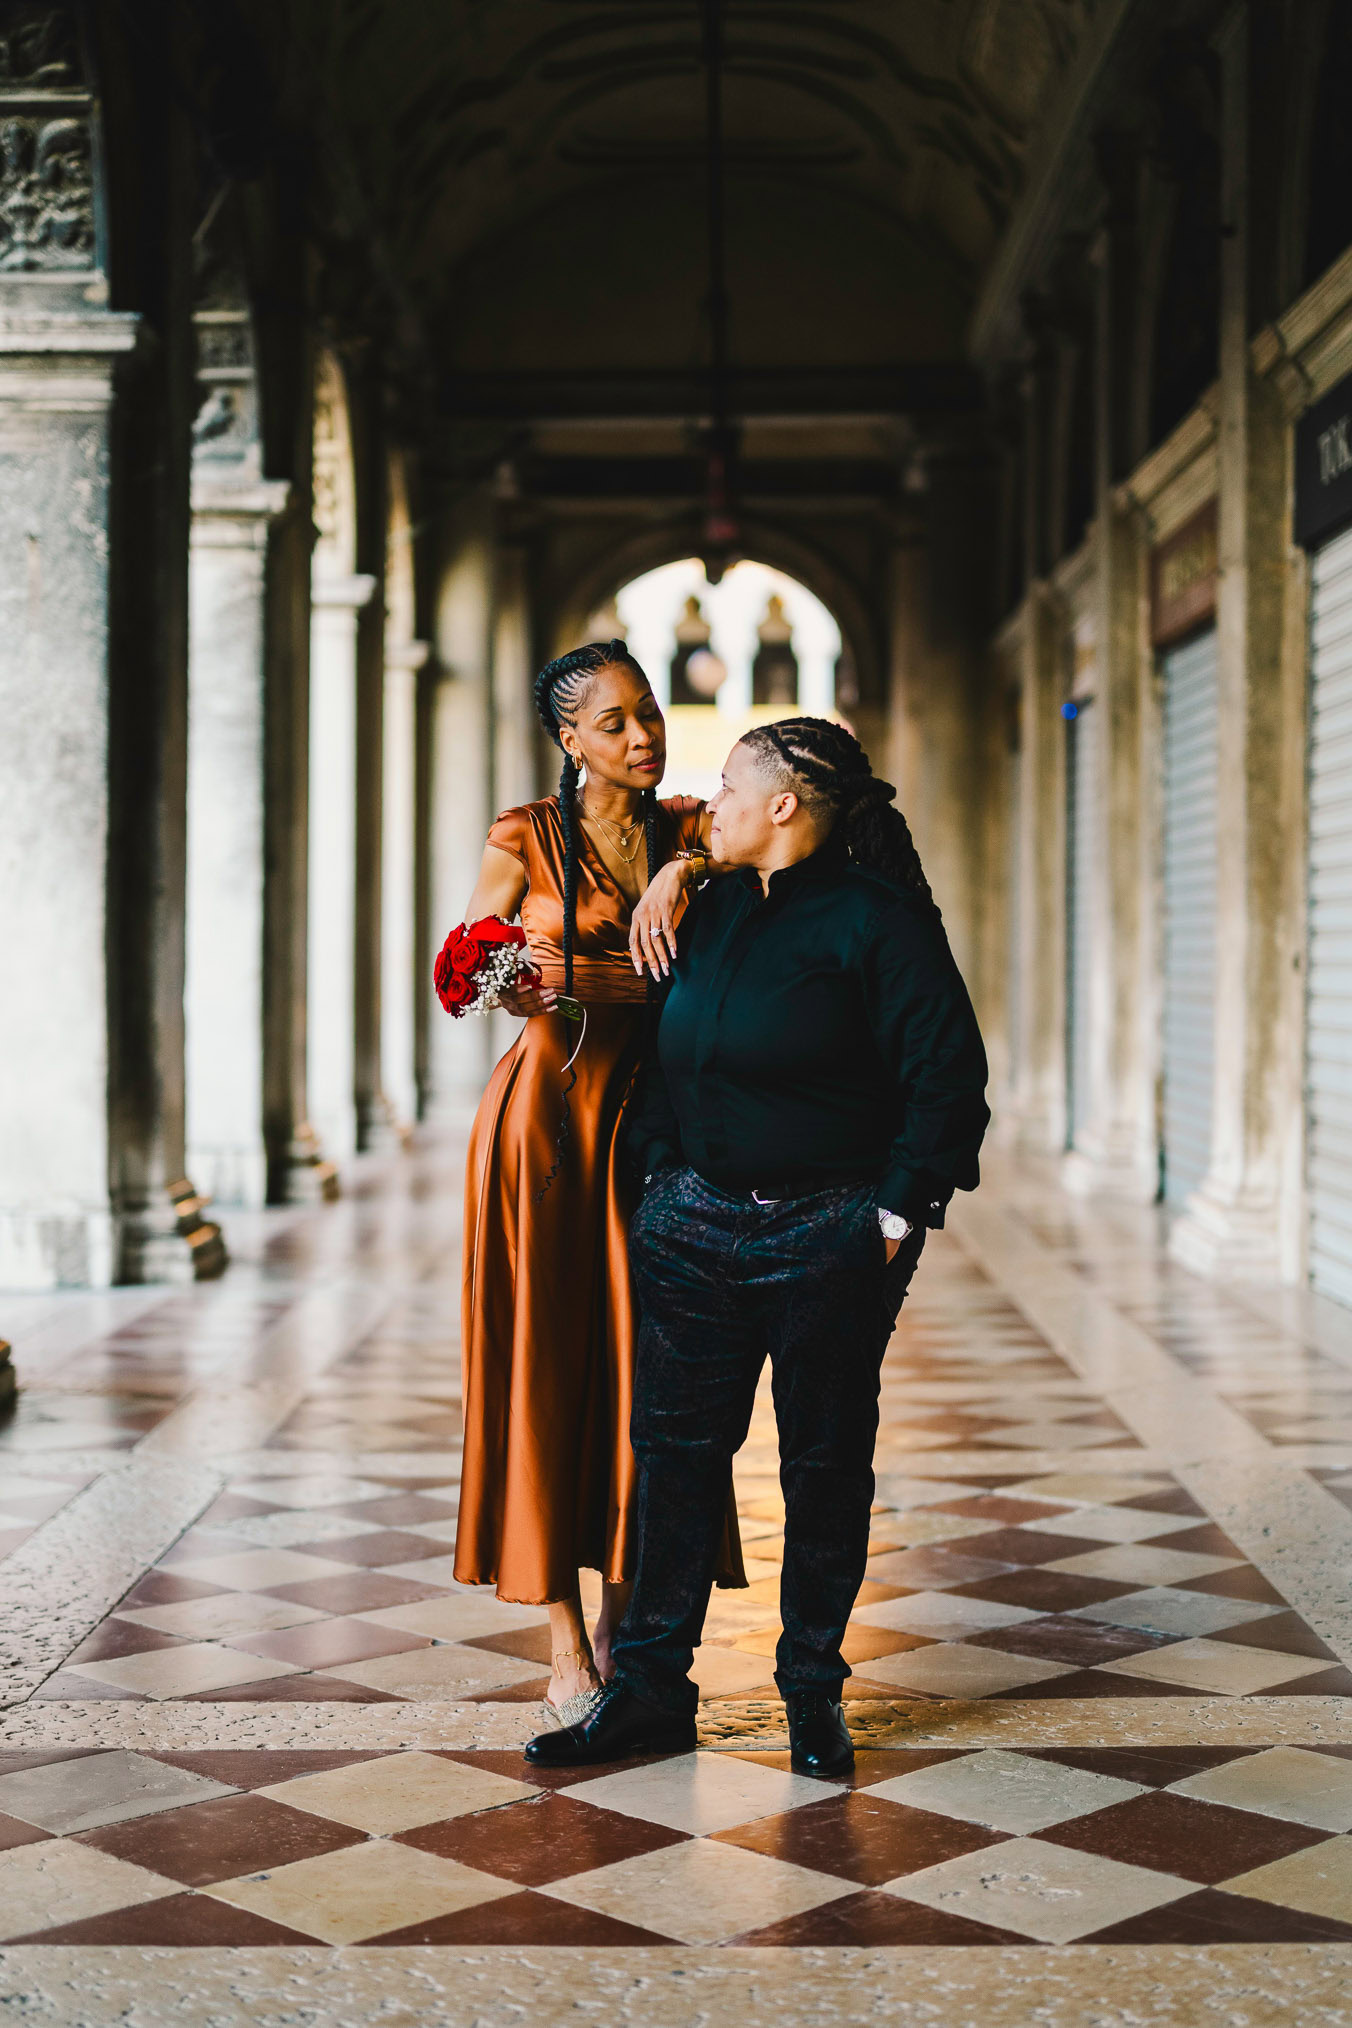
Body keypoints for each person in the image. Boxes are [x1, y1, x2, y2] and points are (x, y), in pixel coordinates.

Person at [525, 715, 989, 1774]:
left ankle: (812, 1693)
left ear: (783, 805)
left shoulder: (880, 923)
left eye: (728, 787)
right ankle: (647, 1691)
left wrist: (890, 1215)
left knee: (822, 1463)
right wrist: (656, 1179)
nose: (710, 802)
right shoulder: (710, 905)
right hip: (689, 1223)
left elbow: (945, 1079)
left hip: (829, 1228)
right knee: (673, 1464)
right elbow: (655, 1056)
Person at [453, 639, 743, 1730]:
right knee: (548, 1363)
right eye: (613, 722)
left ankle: (637, 1628)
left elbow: (775, 840)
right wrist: (509, 976)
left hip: (665, 1121)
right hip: (547, 1120)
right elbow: (474, 950)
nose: (641, 736)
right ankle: (563, 1640)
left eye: (649, 714)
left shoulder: (685, 826)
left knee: (659, 1368)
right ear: (569, 740)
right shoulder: (523, 834)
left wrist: (687, 868)